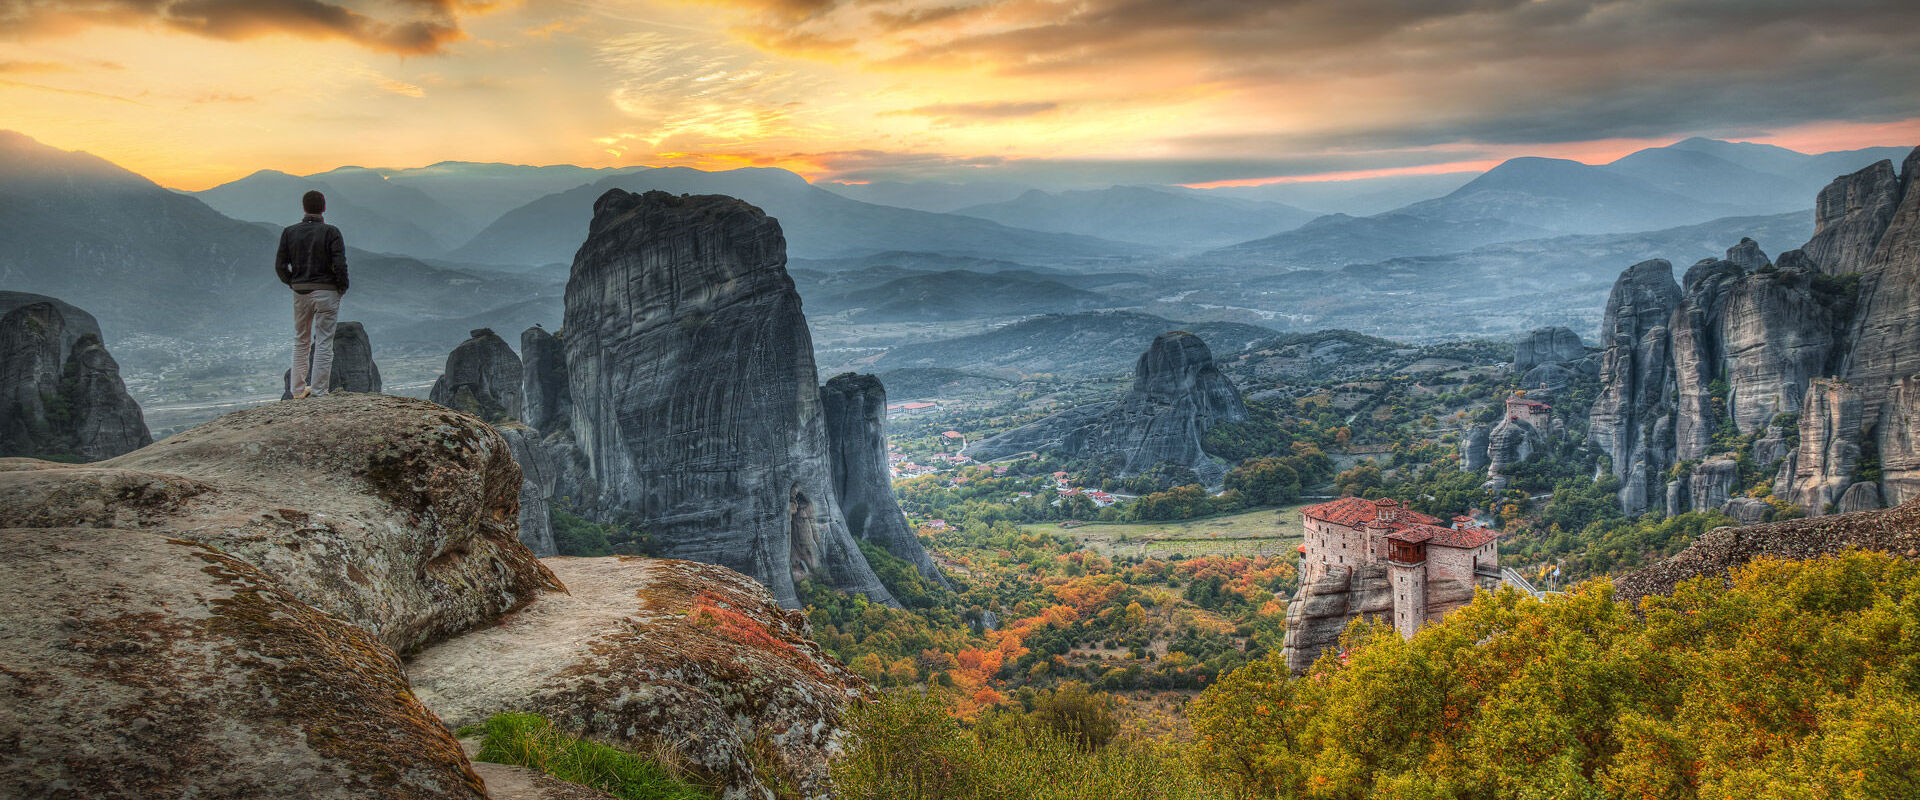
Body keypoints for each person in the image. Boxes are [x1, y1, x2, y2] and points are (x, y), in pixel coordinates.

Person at [274, 190, 349, 399]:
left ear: (304, 207)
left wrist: (293, 283)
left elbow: (280, 265)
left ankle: (297, 391)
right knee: (324, 341)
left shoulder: (289, 232)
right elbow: (340, 264)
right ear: (323, 207)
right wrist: (341, 288)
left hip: (301, 291)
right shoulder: (331, 232)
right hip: (327, 292)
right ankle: (318, 392)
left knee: (301, 340)